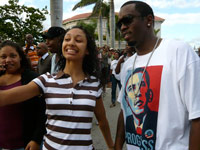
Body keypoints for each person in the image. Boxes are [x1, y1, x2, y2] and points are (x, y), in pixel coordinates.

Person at [0, 26, 114, 150]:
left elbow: (102, 121)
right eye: (67, 39)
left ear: (87, 50)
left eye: (78, 40)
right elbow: (4, 98)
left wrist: (112, 147)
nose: (71, 43)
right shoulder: (46, 80)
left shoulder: (94, 84)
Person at [115, 1, 200, 150]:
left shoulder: (178, 51)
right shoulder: (128, 65)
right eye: (119, 23)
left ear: (148, 20)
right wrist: (116, 146)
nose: (122, 27)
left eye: (127, 20)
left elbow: (197, 115)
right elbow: (123, 111)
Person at [0, 40, 46, 150]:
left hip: (26, 144)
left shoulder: (32, 78)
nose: (8, 60)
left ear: (20, 57)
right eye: (3, 57)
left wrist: (36, 139)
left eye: (13, 56)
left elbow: (43, 112)